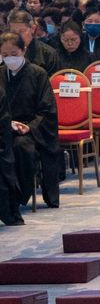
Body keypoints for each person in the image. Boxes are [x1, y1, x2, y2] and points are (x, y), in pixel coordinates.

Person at [0, 31, 54, 215]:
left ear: (23, 50)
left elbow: (47, 110)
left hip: (30, 130)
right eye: (5, 55)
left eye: (13, 54)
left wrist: (29, 127)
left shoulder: (38, 74)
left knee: (20, 147)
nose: (9, 59)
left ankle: (16, 197)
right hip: (4, 127)